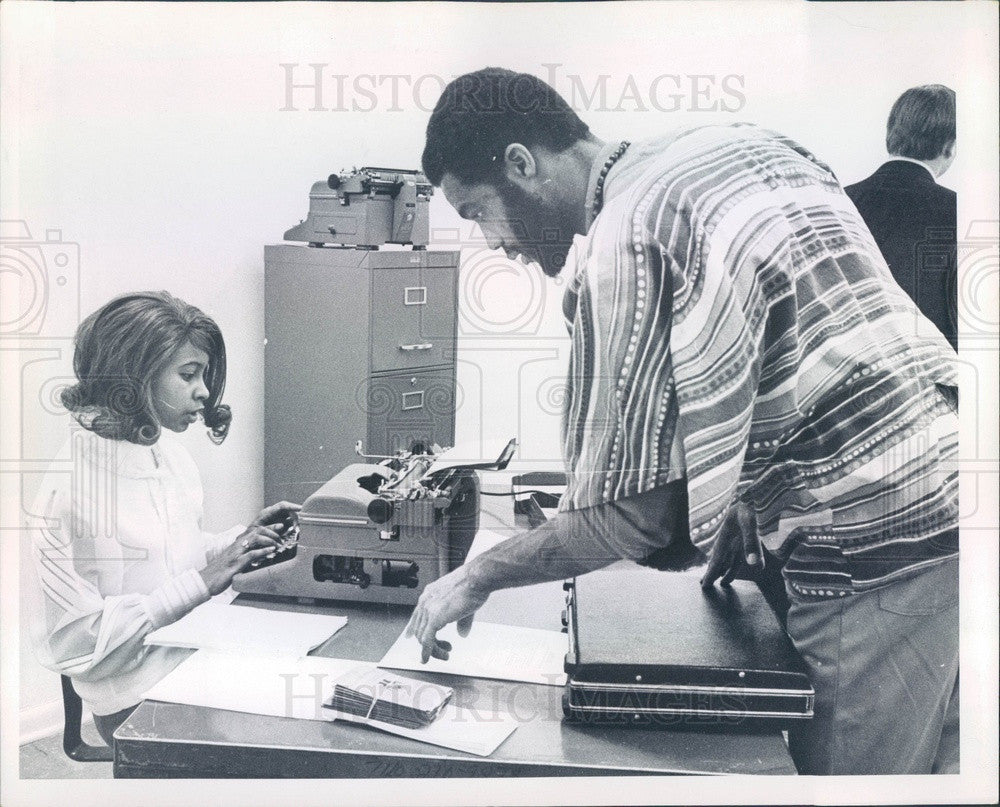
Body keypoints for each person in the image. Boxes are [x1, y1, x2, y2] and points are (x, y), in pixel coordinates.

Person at [407, 68, 959, 775]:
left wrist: (474, 577)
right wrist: (744, 495)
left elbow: (623, 520)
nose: (493, 242)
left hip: (877, 550)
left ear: (522, 163)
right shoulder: (738, 143)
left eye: (479, 210)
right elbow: (803, 342)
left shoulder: (625, 237)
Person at [26, 291, 300, 746]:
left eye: (205, 375)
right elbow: (74, 644)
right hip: (133, 697)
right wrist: (205, 580)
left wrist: (242, 542)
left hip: (196, 657)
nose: (204, 392)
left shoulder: (166, 454)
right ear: (135, 377)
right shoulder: (67, 493)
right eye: (188, 374)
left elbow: (175, 555)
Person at [845, 85, 957, 350]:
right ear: (950, 147)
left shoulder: (841, 200)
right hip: (931, 379)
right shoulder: (959, 209)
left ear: (891, 135)